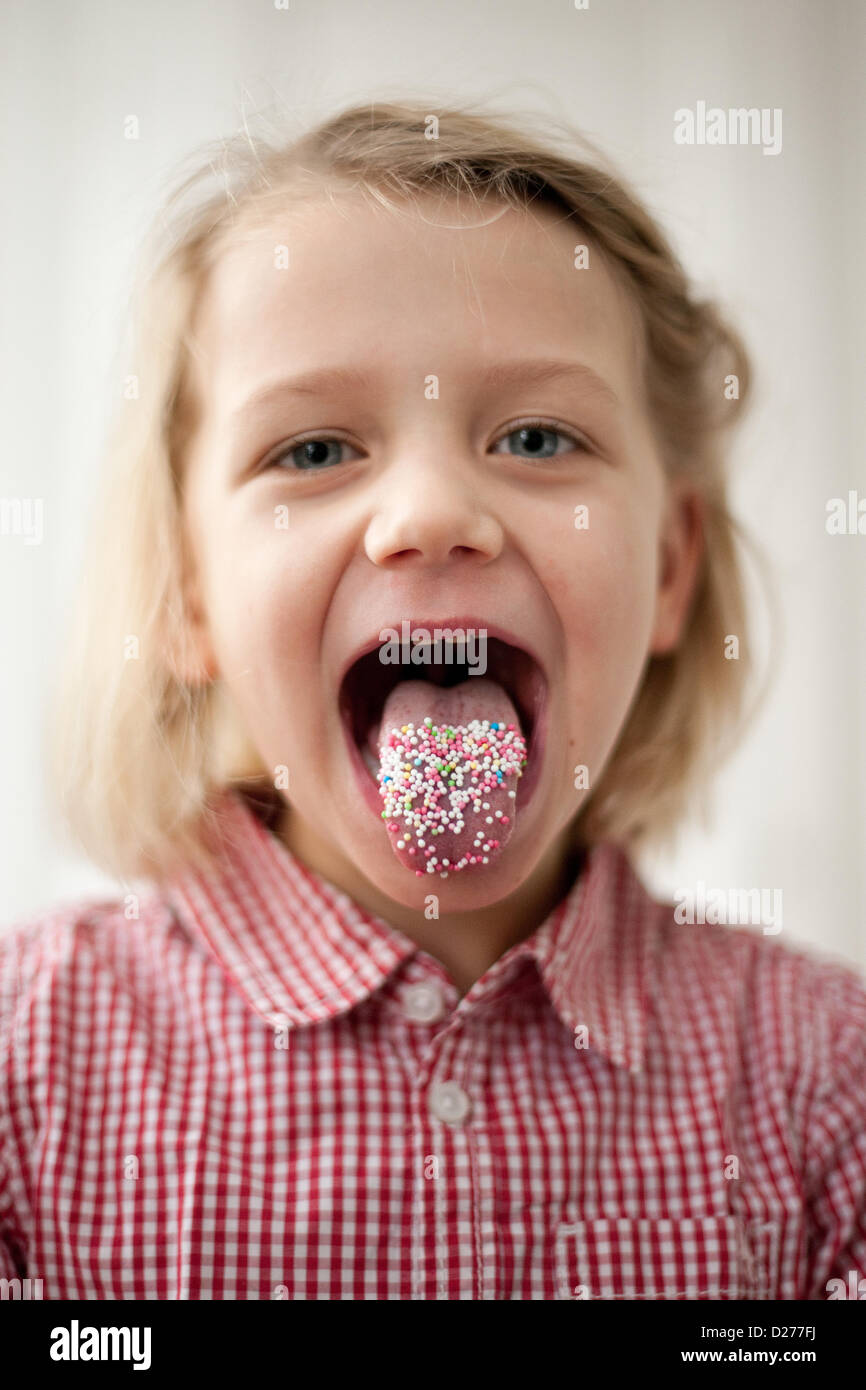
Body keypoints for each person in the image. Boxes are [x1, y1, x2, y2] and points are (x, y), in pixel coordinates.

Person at [2, 100, 864, 1301]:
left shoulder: (828, 1085)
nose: (429, 516)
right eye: (311, 450)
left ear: (668, 569)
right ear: (188, 589)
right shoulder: (25, 1078)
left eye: (533, 435)